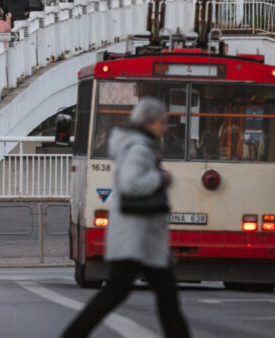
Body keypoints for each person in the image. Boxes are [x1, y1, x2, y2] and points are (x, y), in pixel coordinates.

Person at [62, 98, 190, 338]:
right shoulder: (139, 148)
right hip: (137, 239)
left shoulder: (137, 144)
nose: (165, 128)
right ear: (149, 122)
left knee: (149, 296)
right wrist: (161, 177)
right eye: (163, 122)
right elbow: (130, 184)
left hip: (141, 239)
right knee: (160, 298)